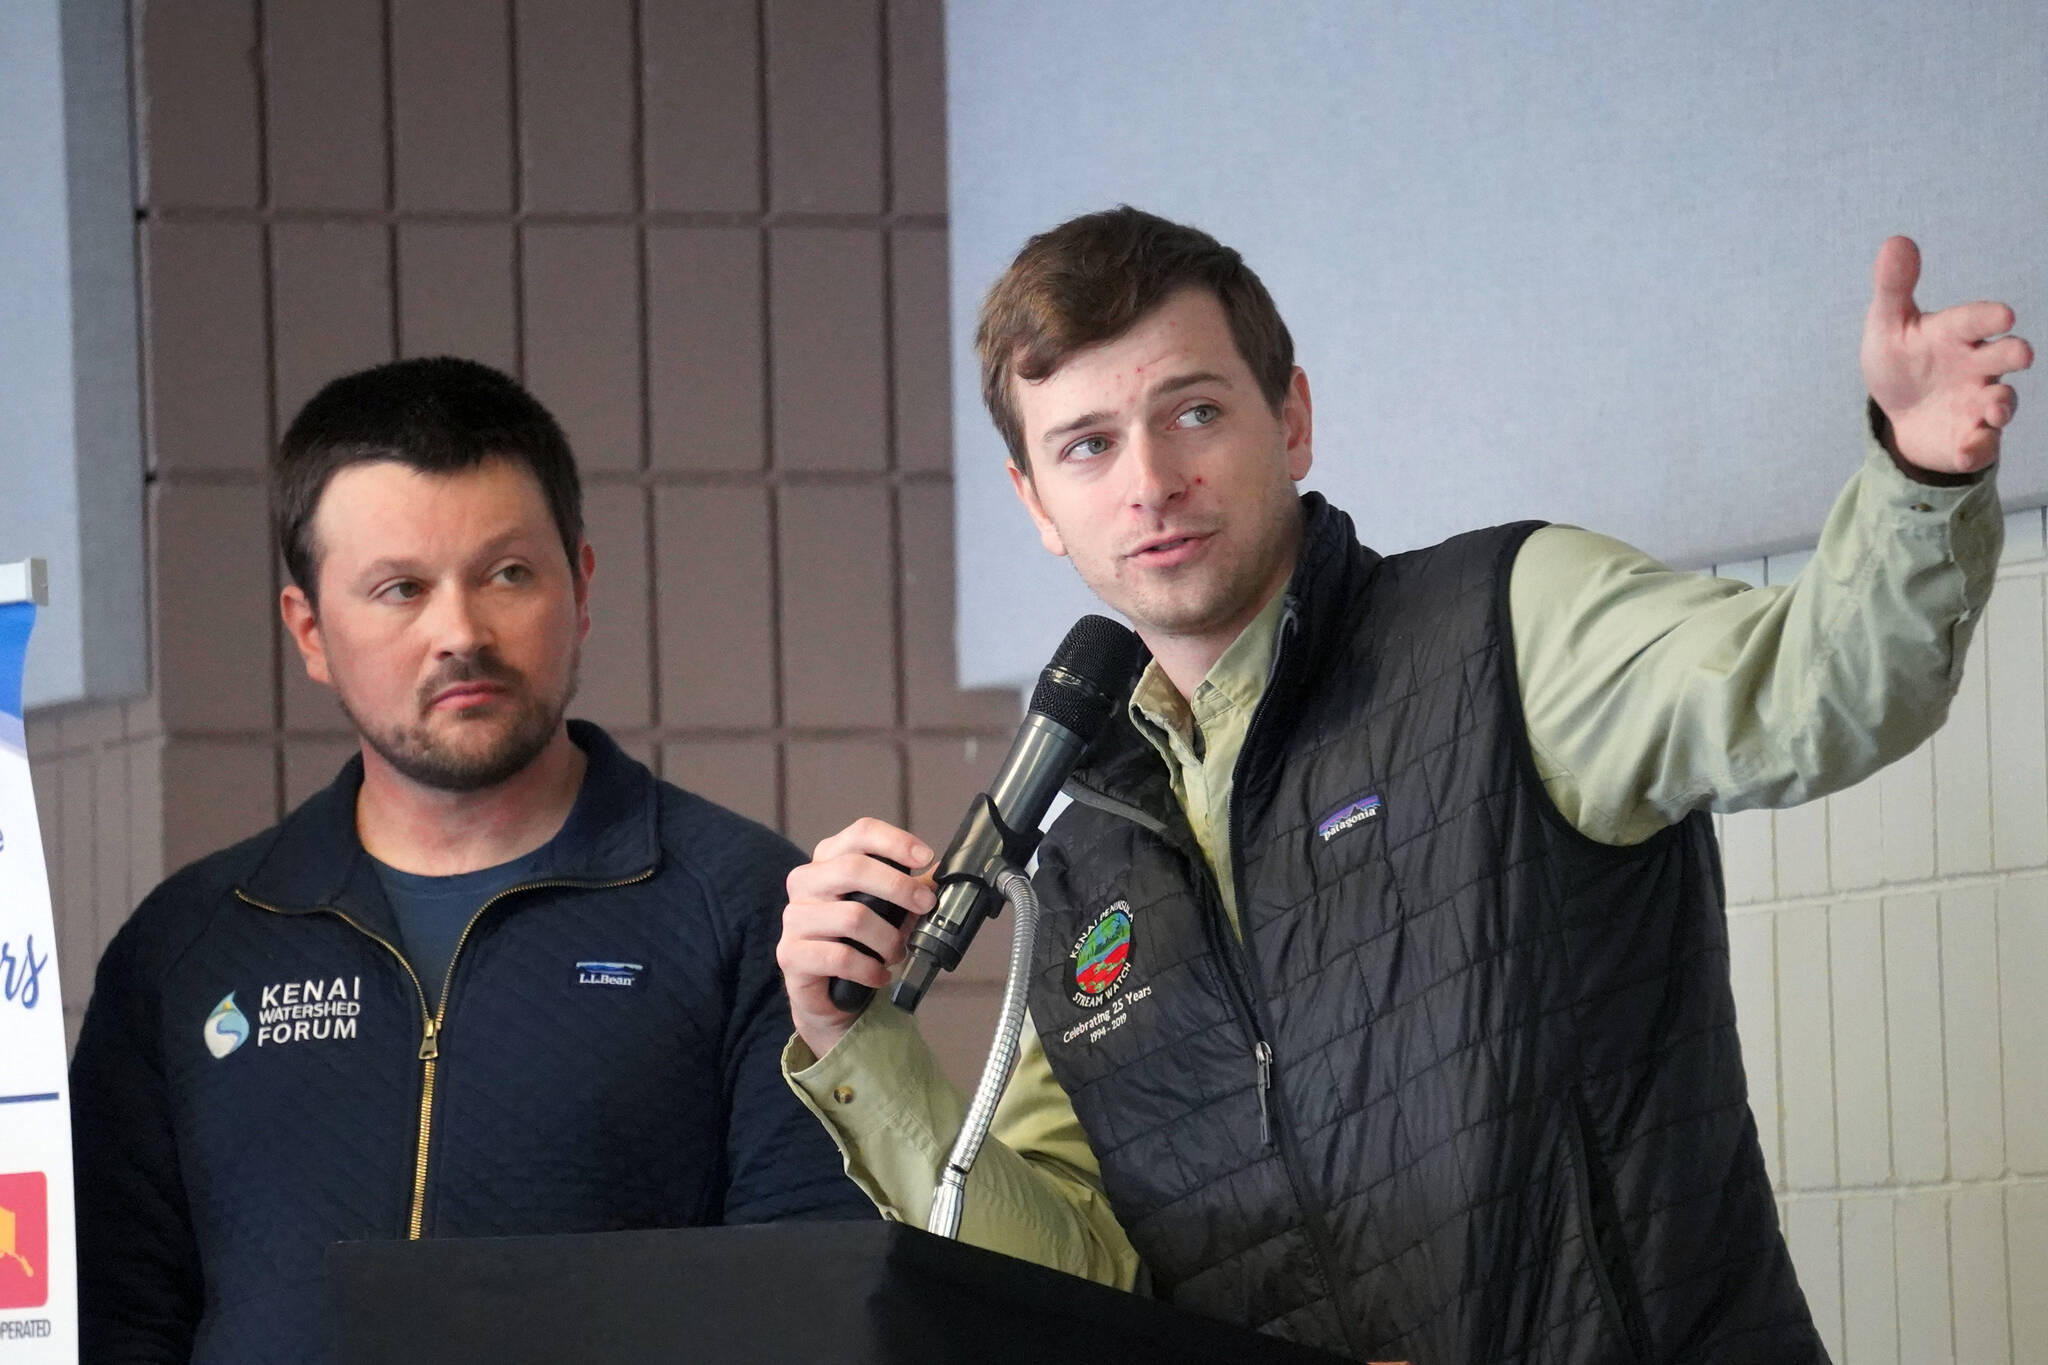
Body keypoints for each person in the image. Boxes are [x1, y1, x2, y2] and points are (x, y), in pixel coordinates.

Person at [776, 208, 2030, 1364]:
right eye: (1088, 446)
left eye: (1194, 412)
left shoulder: (1501, 624)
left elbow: (1811, 694)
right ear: (1036, 502)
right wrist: (858, 1048)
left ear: (1293, 418)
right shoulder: (1078, 847)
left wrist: (1915, 479)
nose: (1149, 480)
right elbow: (1081, 1288)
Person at [69, 357, 872, 1364]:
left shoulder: (746, 910)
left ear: (578, 587)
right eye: (399, 589)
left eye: (505, 575)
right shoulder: (190, 949)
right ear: (310, 629)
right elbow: (111, 1322)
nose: (459, 633)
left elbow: (804, 1308)